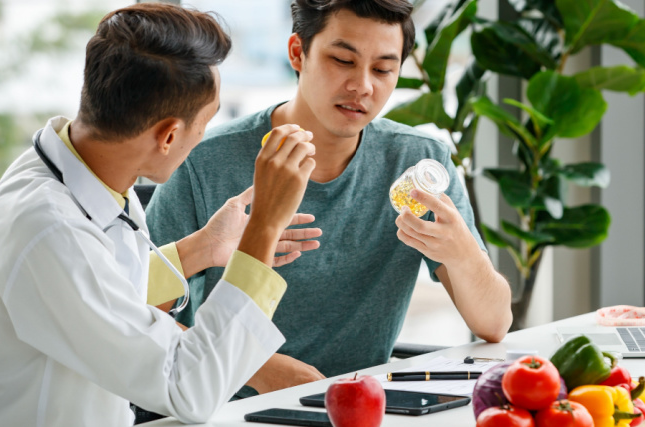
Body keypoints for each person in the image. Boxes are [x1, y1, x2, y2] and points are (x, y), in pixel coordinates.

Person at [0, 3, 319, 426]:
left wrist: (201, 249)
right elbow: (186, 388)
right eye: (205, 122)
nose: (204, 135)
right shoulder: (47, 229)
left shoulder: (78, 170)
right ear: (169, 135)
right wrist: (264, 226)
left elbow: (100, 291)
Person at [147, 0, 513, 399]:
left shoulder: (417, 164)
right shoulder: (205, 161)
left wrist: (462, 252)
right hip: (226, 408)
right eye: (342, 60)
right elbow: (137, 310)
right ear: (297, 53)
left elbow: (494, 324)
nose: (363, 87)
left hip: (363, 409)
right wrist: (258, 367)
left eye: (383, 69)